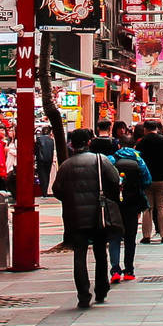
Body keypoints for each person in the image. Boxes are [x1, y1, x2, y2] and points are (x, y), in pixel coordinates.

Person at [51, 128, 117, 308]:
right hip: (98, 213)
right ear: (89, 142)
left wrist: (71, 199)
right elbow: (115, 180)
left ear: (72, 144)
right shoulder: (100, 160)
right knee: (100, 252)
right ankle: (102, 288)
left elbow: (57, 190)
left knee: (79, 254)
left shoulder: (66, 166)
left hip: (75, 216)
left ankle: (83, 294)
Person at [100, 131, 150, 282]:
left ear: (119, 145)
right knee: (130, 237)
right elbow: (147, 180)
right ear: (134, 145)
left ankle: (115, 270)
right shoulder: (139, 160)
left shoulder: (112, 159)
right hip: (133, 204)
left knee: (114, 236)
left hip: (115, 204)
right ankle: (129, 270)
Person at [135, 120, 163, 244]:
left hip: (147, 180)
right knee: (162, 207)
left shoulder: (141, 143)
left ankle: (146, 236)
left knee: (147, 209)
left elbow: (138, 162)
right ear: (157, 128)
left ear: (145, 129)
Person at [34, 124, 57, 196]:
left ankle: (43, 191)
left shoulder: (38, 139)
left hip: (40, 160)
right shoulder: (51, 140)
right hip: (49, 160)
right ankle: (46, 191)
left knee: (42, 175)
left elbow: (36, 150)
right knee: (47, 175)